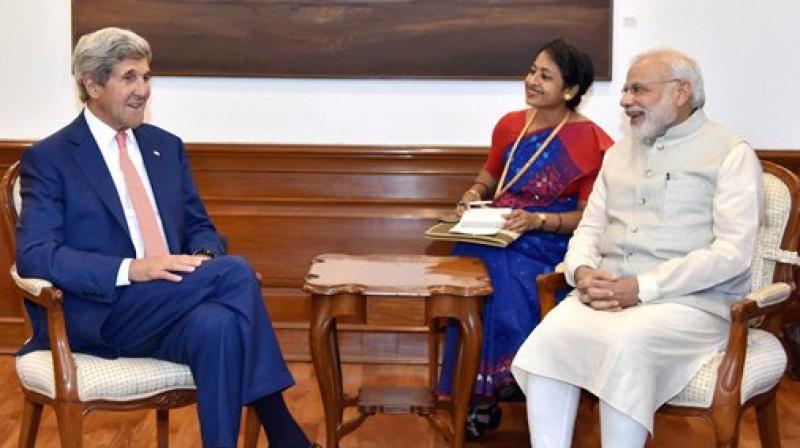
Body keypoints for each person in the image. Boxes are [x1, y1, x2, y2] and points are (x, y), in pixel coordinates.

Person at [15, 27, 316, 448]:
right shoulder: (51, 158)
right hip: (104, 313)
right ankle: (283, 431)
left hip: (174, 300)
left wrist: (205, 257)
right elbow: (36, 256)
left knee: (221, 322)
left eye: (147, 77)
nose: (143, 90)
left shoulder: (165, 147)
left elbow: (199, 227)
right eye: (129, 77)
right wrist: (132, 269)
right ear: (93, 85)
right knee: (236, 275)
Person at [511, 48, 763, 448]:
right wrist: (580, 272)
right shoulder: (617, 153)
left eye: (638, 89)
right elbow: (589, 229)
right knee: (551, 335)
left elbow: (732, 254)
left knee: (626, 344)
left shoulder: (731, 153)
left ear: (681, 92)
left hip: (693, 305)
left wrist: (641, 288)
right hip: (609, 295)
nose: (625, 99)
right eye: (626, 89)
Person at [436, 38, 613, 438]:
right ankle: (475, 391)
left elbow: (589, 217)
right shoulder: (510, 124)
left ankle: (512, 382)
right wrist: (472, 196)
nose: (531, 80)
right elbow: (488, 177)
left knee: (503, 268)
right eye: (532, 70)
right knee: (464, 261)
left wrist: (537, 222)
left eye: (544, 75)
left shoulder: (594, 142)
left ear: (569, 90)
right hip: (498, 226)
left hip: (549, 238)